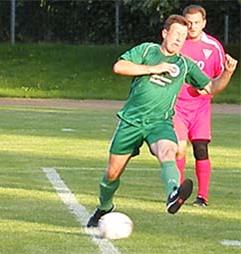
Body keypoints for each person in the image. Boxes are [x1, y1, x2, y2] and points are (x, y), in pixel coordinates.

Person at [86, 14, 237, 227]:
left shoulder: (185, 65)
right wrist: (153, 69)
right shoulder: (148, 51)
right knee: (112, 173)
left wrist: (227, 74)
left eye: (183, 37)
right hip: (132, 121)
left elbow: (210, 88)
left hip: (160, 123)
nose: (178, 40)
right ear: (165, 33)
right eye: (176, 34)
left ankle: (173, 192)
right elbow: (119, 66)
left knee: (169, 151)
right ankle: (104, 207)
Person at [173, 5, 226, 207]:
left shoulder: (213, 47)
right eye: (188, 22)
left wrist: (210, 87)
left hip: (201, 108)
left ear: (204, 23)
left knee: (201, 149)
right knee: (179, 148)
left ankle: (202, 197)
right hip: (177, 106)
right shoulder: (177, 43)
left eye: (196, 22)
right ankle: (176, 194)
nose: (192, 26)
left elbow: (220, 75)